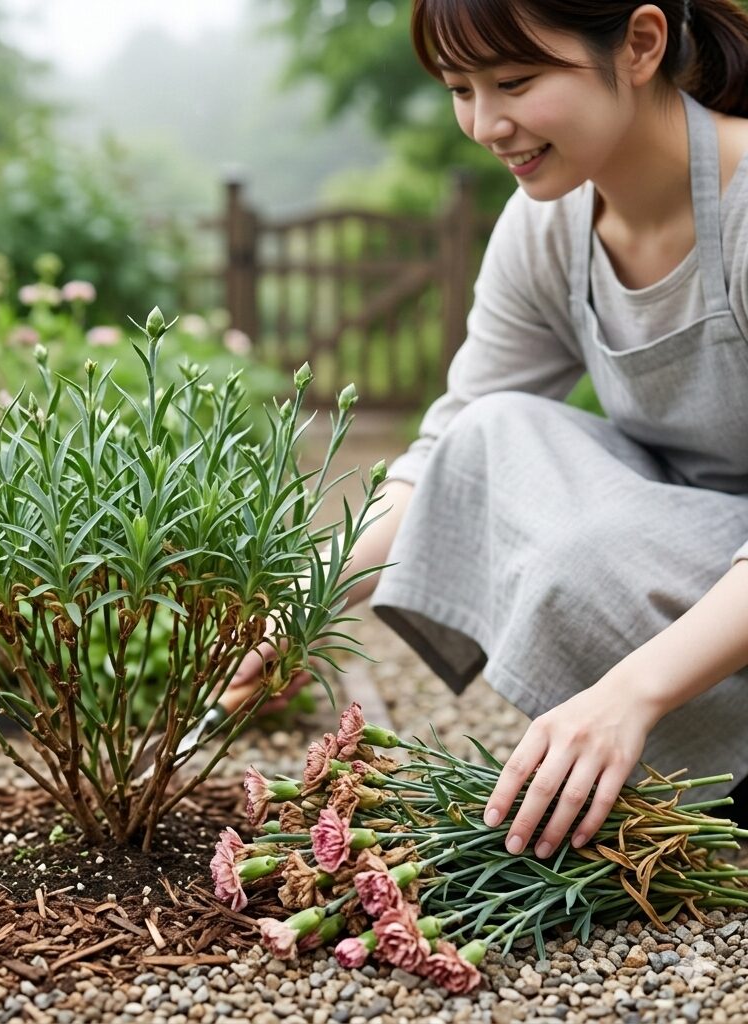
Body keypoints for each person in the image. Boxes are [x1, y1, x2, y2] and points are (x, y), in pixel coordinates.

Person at [219, 0, 748, 861]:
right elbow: (452, 448)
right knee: (494, 433)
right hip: (698, 559)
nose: (484, 124)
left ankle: (676, 755)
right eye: (460, 89)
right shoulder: (549, 224)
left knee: (579, 548)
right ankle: (658, 771)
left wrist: (631, 693)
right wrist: (299, 604)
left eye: (515, 81)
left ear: (642, 44)